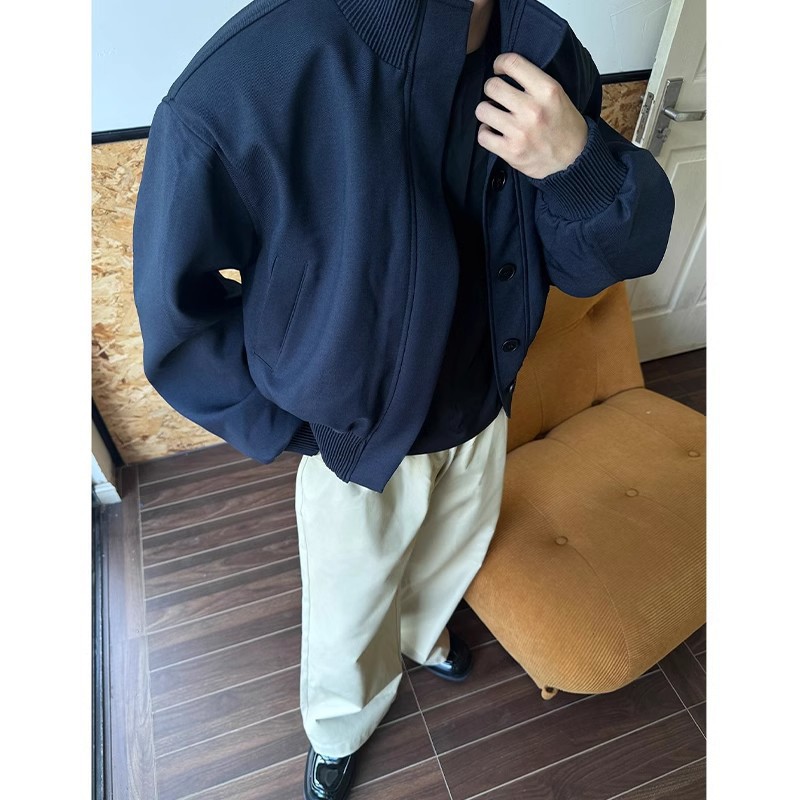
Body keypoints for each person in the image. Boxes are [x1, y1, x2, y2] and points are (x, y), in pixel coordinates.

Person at [132, 1, 675, 798]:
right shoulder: (256, 71)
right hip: (358, 433)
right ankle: (338, 727)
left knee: (453, 547)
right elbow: (178, 311)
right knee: (349, 604)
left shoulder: (543, 47)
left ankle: (422, 637)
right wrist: (299, 421)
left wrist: (577, 165)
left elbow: (600, 258)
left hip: (485, 399)